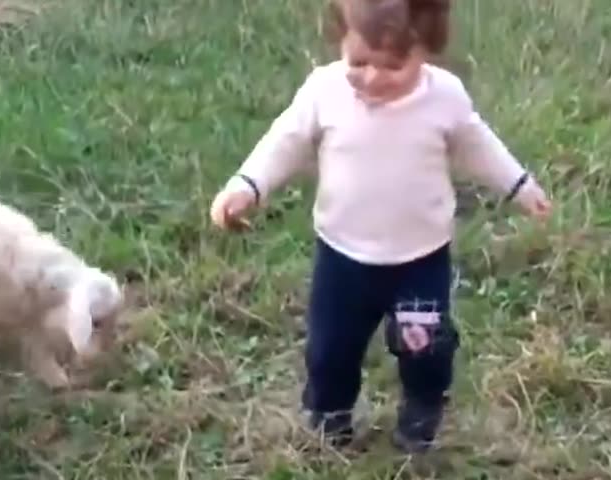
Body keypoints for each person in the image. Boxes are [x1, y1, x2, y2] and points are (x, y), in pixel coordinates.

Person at [208, 0, 552, 453]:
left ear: (427, 49)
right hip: (342, 258)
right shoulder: (324, 92)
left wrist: (519, 185)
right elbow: (284, 143)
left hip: (420, 260)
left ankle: (421, 413)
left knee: (425, 347)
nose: (372, 77)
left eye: (392, 65)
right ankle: (330, 417)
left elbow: (478, 144)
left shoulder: (444, 97)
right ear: (341, 41)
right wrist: (247, 185)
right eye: (360, 61)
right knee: (330, 349)